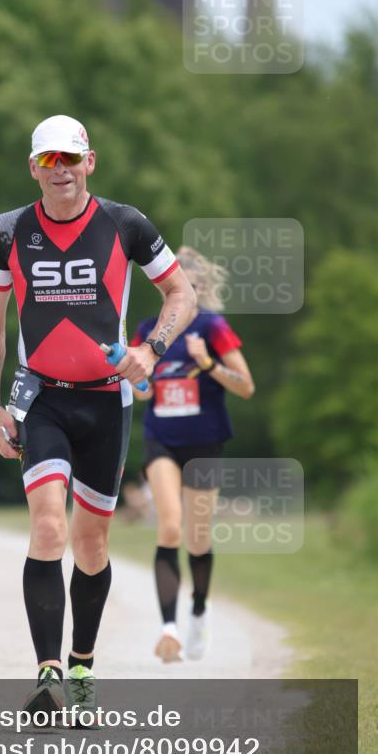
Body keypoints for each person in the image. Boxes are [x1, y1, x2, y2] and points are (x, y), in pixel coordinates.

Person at [0, 114, 195, 719]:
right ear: (34, 168)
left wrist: (151, 350)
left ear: (90, 162)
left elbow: (182, 294)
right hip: (41, 397)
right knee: (49, 526)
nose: (61, 170)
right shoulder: (8, 232)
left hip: (106, 401)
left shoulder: (125, 225)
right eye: (49, 160)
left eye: (70, 158)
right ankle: (47, 677)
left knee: (91, 542)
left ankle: (81, 668)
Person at [131, 246, 255, 663]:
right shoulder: (148, 330)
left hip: (205, 443)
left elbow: (246, 386)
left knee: (198, 537)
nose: (185, 294)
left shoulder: (213, 327)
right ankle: (168, 629)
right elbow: (140, 390)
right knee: (169, 528)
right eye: (177, 287)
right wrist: (137, 379)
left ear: (200, 289)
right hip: (161, 440)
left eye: (193, 287)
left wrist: (208, 364)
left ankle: (199, 611)